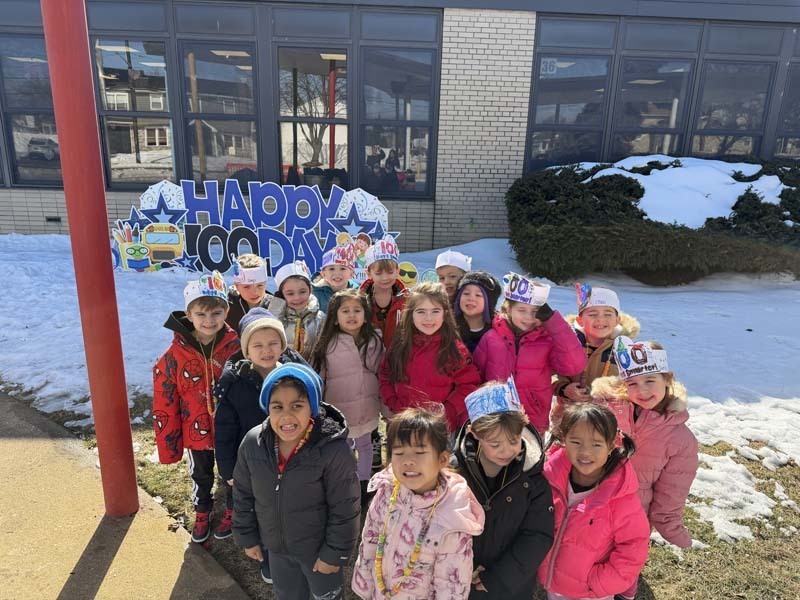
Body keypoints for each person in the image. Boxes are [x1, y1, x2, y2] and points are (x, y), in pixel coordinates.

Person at [233, 363, 360, 600]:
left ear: (312, 408)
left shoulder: (332, 451)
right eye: (277, 407)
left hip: (318, 551)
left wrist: (334, 554)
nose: (287, 416)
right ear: (267, 408)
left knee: (325, 596)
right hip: (278, 550)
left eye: (297, 406)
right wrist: (247, 536)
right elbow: (242, 493)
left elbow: (346, 506)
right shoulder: (253, 444)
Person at [598, 337, 699, 600]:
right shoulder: (607, 410)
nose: (642, 390)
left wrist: (668, 522)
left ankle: (624, 593)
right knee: (595, 554)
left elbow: (673, 489)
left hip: (636, 512)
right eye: (632, 383)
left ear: (668, 378)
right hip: (598, 502)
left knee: (627, 561)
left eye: (650, 381)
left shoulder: (680, 439)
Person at [352, 407, 485, 599]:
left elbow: (451, 585)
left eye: (419, 452)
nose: (408, 461)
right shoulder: (386, 493)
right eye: (399, 453)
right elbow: (370, 541)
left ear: (442, 459)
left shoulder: (453, 518)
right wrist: (365, 588)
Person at [152, 271, 240, 543]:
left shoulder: (235, 346)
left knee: (233, 472)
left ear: (225, 312)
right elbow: (164, 398)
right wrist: (169, 443)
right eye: (201, 314)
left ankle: (233, 509)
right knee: (201, 473)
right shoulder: (175, 354)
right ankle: (203, 509)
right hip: (195, 429)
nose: (209, 321)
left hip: (229, 427)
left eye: (216, 313)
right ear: (189, 315)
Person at [453, 378, 554, 600]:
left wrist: (498, 578)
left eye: (514, 440)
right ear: (474, 433)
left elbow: (537, 536)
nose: (506, 450)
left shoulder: (533, 481)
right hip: (458, 580)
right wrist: (457, 567)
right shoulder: (454, 474)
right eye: (495, 444)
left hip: (510, 587)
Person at [538, 403, 650, 600]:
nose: (585, 452)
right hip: (553, 584)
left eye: (596, 444)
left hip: (590, 593)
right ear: (564, 440)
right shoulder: (549, 478)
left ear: (612, 444)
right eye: (576, 442)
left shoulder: (620, 495)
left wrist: (599, 582)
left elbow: (633, 547)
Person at [473, 272, 586, 434]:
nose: (528, 317)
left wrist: (552, 321)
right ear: (508, 309)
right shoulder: (491, 338)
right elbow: (476, 375)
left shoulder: (547, 340)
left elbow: (574, 365)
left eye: (535, 312)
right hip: (496, 418)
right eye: (522, 310)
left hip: (533, 420)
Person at [212, 309, 287, 554]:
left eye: (273, 343)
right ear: (246, 351)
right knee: (257, 503)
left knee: (284, 501)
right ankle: (261, 545)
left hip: (288, 456)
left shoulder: (291, 377)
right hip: (253, 460)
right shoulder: (235, 384)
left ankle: (282, 539)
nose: (266, 350)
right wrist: (227, 468)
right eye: (258, 345)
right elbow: (224, 431)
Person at [308, 289, 385, 504]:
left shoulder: (375, 341)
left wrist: (386, 409)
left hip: (368, 408)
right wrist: (318, 410)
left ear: (365, 313)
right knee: (344, 448)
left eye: (357, 310)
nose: (352, 315)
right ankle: (345, 483)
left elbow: (383, 374)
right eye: (345, 310)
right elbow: (319, 380)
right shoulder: (327, 345)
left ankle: (364, 483)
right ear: (335, 316)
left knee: (366, 445)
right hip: (340, 410)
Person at [379, 281, 481, 432]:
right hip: (404, 423)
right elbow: (386, 375)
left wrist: (448, 412)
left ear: (445, 314)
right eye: (421, 311)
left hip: (438, 428)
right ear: (410, 313)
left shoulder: (454, 349)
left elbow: (468, 385)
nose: (428, 318)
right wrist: (394, 403)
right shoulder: (400, 345)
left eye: (435, 311)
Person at [552, 284, 640, 406]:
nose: (600, 319)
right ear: (580, 320)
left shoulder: (626, 348)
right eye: (593, 314)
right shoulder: (566, 344)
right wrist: (563, 389)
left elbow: (638, 382)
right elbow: (545, 375)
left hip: (610, 418)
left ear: (617, 320)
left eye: (608, 314)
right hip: (568, 416)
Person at [359, 235, 407, 349]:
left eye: (390, 272)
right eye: (379, 273)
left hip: (397, 357)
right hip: (369, 356)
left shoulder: (407, 300)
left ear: (397, 271)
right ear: (369, 273)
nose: (385, 278)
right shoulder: (359, 299)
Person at [271, 260, 325, 356]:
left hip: (312, 369)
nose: (297, 298)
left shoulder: (320, 318)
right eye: (290, 293)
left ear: (310, 290)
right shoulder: (276, 317)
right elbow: (270, 333)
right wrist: (277, 305)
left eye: (302, 292)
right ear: (282, 294)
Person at [225, 253, 277, 334]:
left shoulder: (275, 306)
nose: (254, 292)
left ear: (265, 283)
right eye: (246, 287)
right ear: (237, 286)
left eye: (260, 285)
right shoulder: (227, 306)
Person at [453, 271, 502, 353]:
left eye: (478, 295)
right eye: (466, 293)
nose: (471, 298)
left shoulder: (499, 328)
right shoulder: (449, 325)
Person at [313, 244, 358, 313]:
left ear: (351, 274)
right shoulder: (315, 293)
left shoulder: (357, 292)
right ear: (323, 274)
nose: (337, 273)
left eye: (342, 268)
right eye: (331, 269)